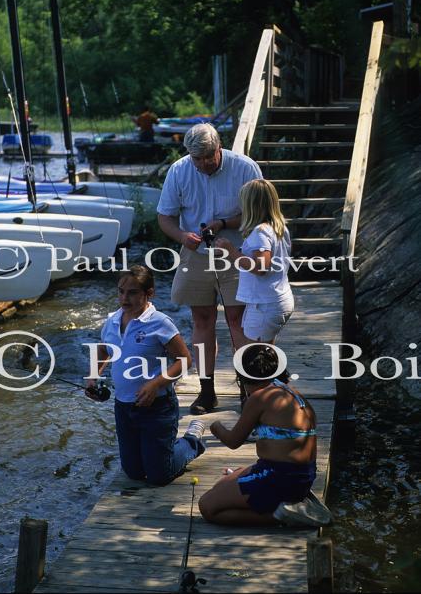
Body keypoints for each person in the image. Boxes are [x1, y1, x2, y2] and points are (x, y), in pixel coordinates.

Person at [157, 123, 263, 414]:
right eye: (197, 159)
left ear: (220, 148)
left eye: (208, 157)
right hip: (197, 254)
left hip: (236, 252)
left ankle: (248, 389)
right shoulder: (179, 171)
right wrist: (182, 237)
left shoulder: (245, 168)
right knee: (201, 320)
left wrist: (224, 223)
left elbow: (260, 213)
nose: (203, 163)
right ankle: (206, 392)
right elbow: (164, 217)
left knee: (237, 321)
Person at [90, 265, 206, 486]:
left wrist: (156, 384)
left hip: (157, 408)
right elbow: (103, 350)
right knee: (133, 473)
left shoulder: (159, 322)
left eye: (132, 292)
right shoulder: (112, 321)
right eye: (121, 291)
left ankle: (191, 441)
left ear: (149, 293)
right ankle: (157, 452)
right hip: (123, 408)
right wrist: (93, 377)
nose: (125, 298)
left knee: (158, 476)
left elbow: (185, 360)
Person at [198, 344, 318, 526]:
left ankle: (281, 515)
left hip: (279, 478)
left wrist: (216, 427)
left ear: (243, 376)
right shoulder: (292, 392)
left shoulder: (260, 397)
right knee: (220, 486)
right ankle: (288, 502)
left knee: (207, 506)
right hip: (302, 477)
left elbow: (233, 441)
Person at [215, 178, 294, 345]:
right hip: (277, 299)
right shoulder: (278, 227)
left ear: (251, 206)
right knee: (266, 354)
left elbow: (261, 267)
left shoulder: (260, 232)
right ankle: (277, 372)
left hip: (265, 305)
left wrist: (231, 251)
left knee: (257, 356)